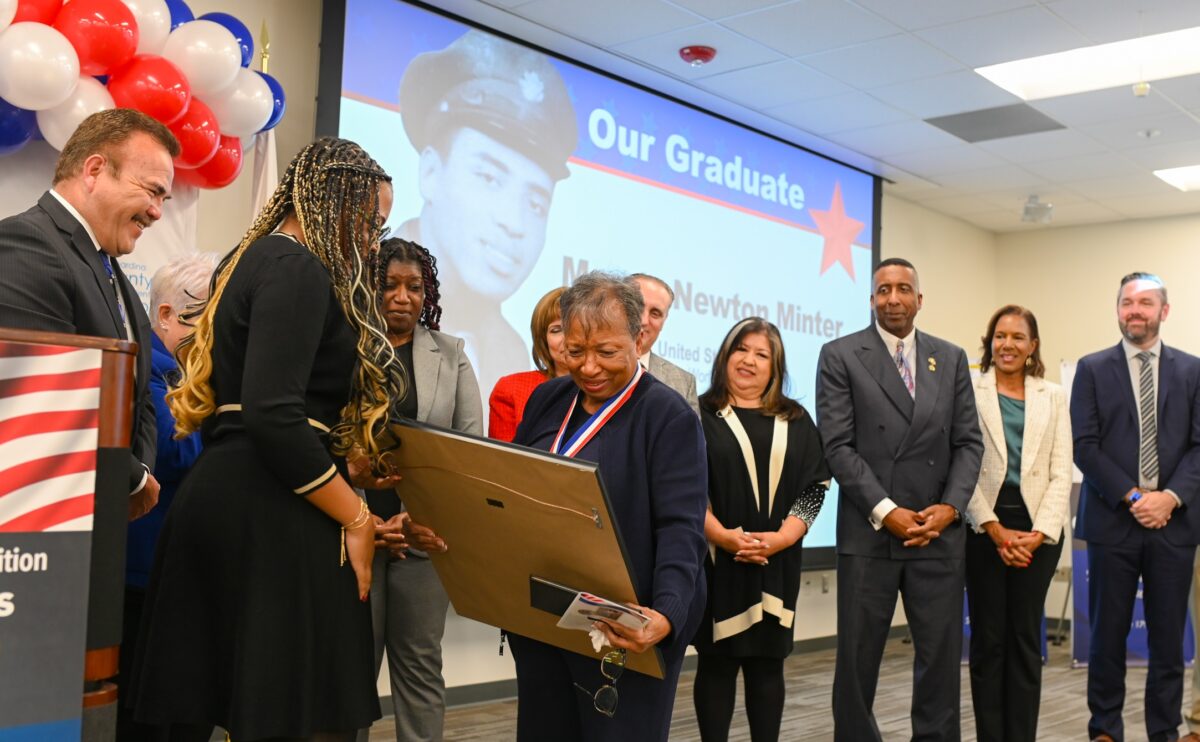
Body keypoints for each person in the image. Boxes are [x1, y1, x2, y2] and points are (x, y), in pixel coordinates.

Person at [130, 137, 404, 742]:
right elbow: (275, 417)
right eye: (371, 222)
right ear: (336, 201)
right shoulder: (298, 267)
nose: (371, 242)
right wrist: (357, 517)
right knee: (297, 717)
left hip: (236, 493)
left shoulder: (248, 260)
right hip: (272, 505)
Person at [506, 271, 707, 740]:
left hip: (625, 628)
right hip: (546, 617)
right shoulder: (548, 398)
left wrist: (666, 614)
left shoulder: (668, 416)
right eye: (575, 352)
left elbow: (681, 529)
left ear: (639, 339)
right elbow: (515, 486)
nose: (589, 367)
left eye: (606, 352)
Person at [815, 257, 982, 742]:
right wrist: (886, 511)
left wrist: (950, 508)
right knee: (857, 663)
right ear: (871, 300)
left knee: (940, 660)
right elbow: (837, 445)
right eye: (883, 290)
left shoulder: (948, 358)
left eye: (903, 289)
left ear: (918, 299)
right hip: (871, 533)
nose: (893, 298)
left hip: (938, 532)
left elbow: (969, 442)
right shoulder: (841, 354)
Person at [0, 108, 176, 519]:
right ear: (94, 169)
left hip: (95, 517)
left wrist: (141, 471)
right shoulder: (28, 244)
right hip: (36, 522)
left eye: (163, 199)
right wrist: (131, 479)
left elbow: (140, 397)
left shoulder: (115, 275)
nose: (156, 212)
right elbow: (41, 395)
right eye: (152, 191)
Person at [397, 29, 578, 402]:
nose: (513, 223)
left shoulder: (513, 353)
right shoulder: (364, 298)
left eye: (535, 203)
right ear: (430, 172)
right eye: (489, 177)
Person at [1071, 272, 1200, 742]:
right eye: (1127, 302)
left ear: (1164, 311)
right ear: (1118, 309)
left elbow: (1198, 447)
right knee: (1107, 636)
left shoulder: (1193, 370)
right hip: (1113, 520)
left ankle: (1163, 732)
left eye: (1145, 303)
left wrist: (1168, 497)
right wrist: (1134, 496)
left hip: (1174, 522)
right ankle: (1105, 729)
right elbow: (1085, 446)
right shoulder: (1091, 368)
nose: (1135, 311)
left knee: (1168, 641)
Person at [364, 237, 482, 742]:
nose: (402, 296)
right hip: (355, 534)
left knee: (419, 672)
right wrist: (367, 520)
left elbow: (469, 451)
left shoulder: (451, 355)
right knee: (351, 673)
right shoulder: (346, 347)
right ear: (370, 288)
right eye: (390, 284)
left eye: (414, 287)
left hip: (422, 535)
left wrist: (412, 521)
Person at [692, 317, 829, 742]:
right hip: (717, 563)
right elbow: (684, 487)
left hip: (777, 562)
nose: (749, 360)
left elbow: (814, 488)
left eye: (761, 354)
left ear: (776, 366)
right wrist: (722, 536)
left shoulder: (797, 419)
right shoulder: (697, 413)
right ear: (725, 356)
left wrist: (783, 538)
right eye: (741, 349)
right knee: (716, 665)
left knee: (768, 666)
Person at [118, 252, 218, 742]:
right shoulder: (149, 370)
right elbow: (176, 452)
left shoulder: (186, 375)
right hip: (144, 574)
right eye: (208, 318)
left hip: (180, 573)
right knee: (148, 720)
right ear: (165, 316)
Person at [964, 304, 1072, 742]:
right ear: (990, 342)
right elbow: (961, 466)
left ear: (1033, 346)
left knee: (1026, 638)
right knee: (988, 640)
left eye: (1017, 337)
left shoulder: (1053, 395)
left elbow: (1062, 470)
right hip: (983, 528)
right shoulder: (969, 390)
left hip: (1037, 534)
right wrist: (993, 527)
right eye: (1000, 336)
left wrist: (1040, 533)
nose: (1007, 344)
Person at [488, 286, 567, 442]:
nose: (568, 339)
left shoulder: (608, 390)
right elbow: (502, 462)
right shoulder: (510, 389)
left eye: (575, 328)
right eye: (556, 330)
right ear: (543, 339)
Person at [628, 273, 700, 414]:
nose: (643, 320)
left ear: (664, 322)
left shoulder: (684, 382)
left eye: (655, 313)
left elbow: (689, 436)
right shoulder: (587, 366)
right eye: (637, 307)